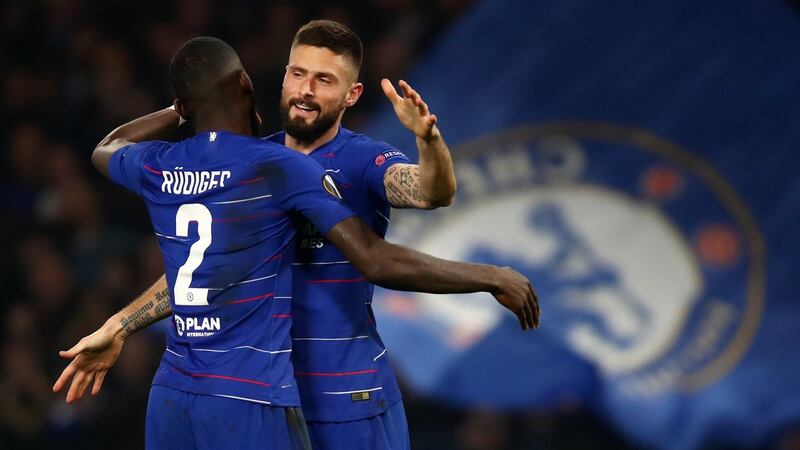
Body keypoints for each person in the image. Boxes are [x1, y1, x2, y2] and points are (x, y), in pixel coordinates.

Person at [53, 36, 539, 450]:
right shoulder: (264, 162)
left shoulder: (362, 158)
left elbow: (432, 192)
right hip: (265, 397)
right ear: (274, 79)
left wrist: (430, 143)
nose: (306, 89)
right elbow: (205, 274)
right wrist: (122, 323)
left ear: (352, 95)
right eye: (297, 74)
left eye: (324, 80)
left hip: (348, 397)